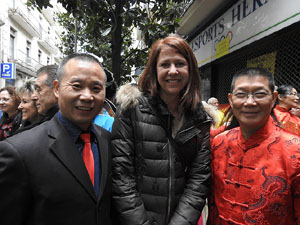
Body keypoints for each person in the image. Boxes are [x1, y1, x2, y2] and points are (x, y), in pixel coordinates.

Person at [0, 53, 112, 225]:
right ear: (57, 89)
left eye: (96, 89)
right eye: (77, 86)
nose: (87, 96)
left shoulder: (108, 141)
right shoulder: (19, 151)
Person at [111, 35, 211, 225]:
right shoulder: (130, 109)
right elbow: (122, 176)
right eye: (165, 64)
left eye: (180, 64)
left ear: (190, 69)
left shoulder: (200, 117)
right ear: (154, 70)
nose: (173, 71)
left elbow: (199, 180)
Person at [208, 67, 300, 224]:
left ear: (273, 99)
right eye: (241, 94)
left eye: (260, 94)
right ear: (230, 100)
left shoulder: (295, 152)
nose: (249, 102)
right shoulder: (218, 143)